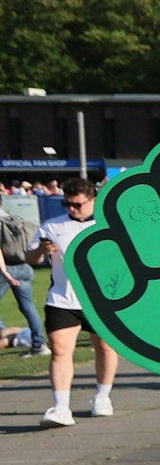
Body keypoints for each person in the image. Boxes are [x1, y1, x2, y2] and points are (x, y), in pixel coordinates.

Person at [30, 179, 120, 427]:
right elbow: (30, 258)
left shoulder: (109, 224)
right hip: (62, 299)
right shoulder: (52, 226)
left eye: (77, 204)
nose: (71, 208)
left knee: (105, 348)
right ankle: (61, 408)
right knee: (60, 350)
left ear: (92, 200)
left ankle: (102, 398)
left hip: (101, 300)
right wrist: (41, 250)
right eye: (67, 203)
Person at [0, 206, 48, 355]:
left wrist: (5, 273)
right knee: (28, 308)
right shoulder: (16, 220)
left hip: (6, 267)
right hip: (24, 266)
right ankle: (39, 344)